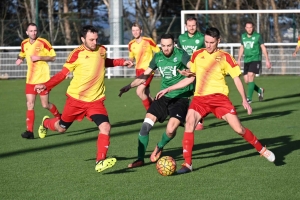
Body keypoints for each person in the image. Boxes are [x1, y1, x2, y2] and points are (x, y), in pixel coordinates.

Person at [156, 27, 275, 174]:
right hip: (200, 98)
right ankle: (187, 164)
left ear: (218, 41)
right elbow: (192, 76)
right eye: (206, 42)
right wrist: (170, 87)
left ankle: (262, 150)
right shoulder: (197, 55)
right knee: (189, 123)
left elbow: (237, 79)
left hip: (219, 99)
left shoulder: (226, 57)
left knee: (239, 129)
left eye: (212, 42)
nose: (208, 45)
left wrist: (244, 100)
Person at [34, 25, 133, 173]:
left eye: (96, 39)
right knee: (61, 128)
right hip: (75, 101)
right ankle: (46, 123)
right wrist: (46, 85)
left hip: (96, 101)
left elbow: (104, 61)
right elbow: (62, 74)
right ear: (82, 39)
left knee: (105, 127)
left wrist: (121, 62)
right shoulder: (76, 54)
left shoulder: (101, 50)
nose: (94, 42)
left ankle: (100, 161)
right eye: (91, 40)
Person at [119, 33, 194, 168]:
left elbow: (193, 68)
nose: (166, 49)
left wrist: (190, 71)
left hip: (181, 97)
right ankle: (140, 159)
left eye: (169, 46)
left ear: (174, 44)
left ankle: (159, 146)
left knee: (171, 130)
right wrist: (129, 86)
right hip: (163, 97)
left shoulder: (181, 54)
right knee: (145, 126)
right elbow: (145, 75)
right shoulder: (158, 57)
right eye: (163, 46)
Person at [15, 23, 61, 139]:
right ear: (27, 32)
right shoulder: (24, 43)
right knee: (30, 104)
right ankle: (29, 132)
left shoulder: (43, 42)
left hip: (43, 80)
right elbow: (22, 54)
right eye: (31, 31)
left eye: (35, 30)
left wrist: (39, 57)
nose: (34, 33)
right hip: (30, 80)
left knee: (45, 105)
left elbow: (53, 57)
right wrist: (19, 59)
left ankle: (59, 117)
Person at [177, 16, 205, 131]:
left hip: (197, 70)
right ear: (186, 26)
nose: (191, 27)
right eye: (189, 26)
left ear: (196, 25)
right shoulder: (181, 37)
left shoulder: (202, 38)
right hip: (184, 71)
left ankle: (199, 120)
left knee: (198, 94)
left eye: (193, 25)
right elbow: (178, 52)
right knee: (184, 93)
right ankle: (184, 117)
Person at [128, 22, 161, 110]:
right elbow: (131, 56)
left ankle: (150, 113)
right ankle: (159, 110)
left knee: (139, 91)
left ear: (141, 31)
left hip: (148, 70)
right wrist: (130, 61)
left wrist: (156, 64)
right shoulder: (131, 44)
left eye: (137, 30)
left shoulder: (148, 41)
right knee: (146, 94)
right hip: (138, 70)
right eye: (133, 30)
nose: (135, 32)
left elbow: (158, 52)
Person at [237, 21, 271, 104]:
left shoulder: (258, 36)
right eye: (247, 27)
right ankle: (260, 90)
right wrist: (239, 59)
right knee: (246, 81)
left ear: (253, 27)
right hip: (247, 60)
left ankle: (249, 98)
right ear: (245, 28)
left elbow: (263, 48)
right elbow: (242, 47)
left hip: (256, 59)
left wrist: (267, 60)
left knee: (251, 75)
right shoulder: (243, 36)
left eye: (250, 27)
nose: (249, 29)